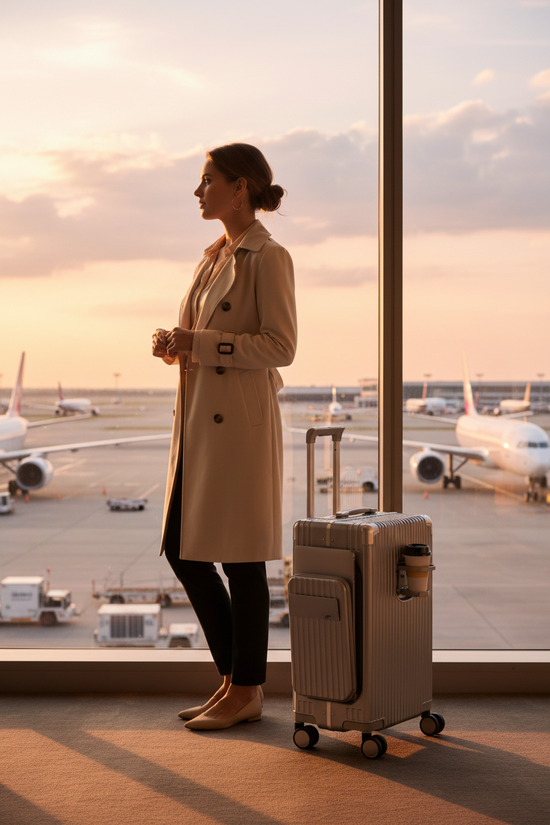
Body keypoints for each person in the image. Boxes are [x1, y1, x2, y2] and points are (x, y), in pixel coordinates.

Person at [152, 143, 297, 731]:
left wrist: (201, 344)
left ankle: (244, 688)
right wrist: (175, 346)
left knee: (240, 560)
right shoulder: (212, 257)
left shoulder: (269, 256)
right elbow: (204, 340)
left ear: (240, 188)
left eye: (208, 179)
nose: (198, 190)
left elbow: (280, 346)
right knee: (181, 549)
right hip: (198, 425)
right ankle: (238, 680)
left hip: (237, 428)